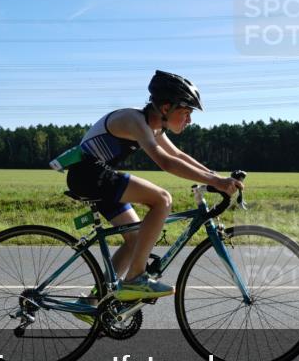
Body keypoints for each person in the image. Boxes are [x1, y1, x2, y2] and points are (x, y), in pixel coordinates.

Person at [66, 71, 242, 307]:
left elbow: (178, 155)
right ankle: (135, 279)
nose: (189, 120)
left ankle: (92, 302)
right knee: (161, 199)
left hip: (97, 177)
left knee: (135, 240)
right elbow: (165, 161)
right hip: (88, 174)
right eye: (186, 112)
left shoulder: (155, 126)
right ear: (166, 107)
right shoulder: (134, 120)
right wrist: (217, 183)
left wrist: (216, 177)